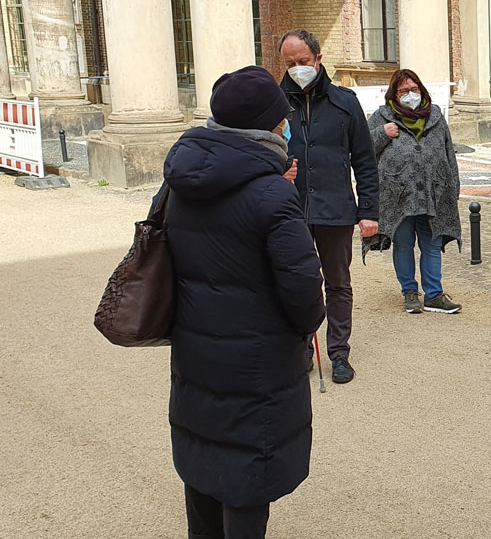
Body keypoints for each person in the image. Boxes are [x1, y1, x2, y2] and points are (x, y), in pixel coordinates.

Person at [158, 66, 327, 539]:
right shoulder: (272, 193)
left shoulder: (179, 182)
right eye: (281, 119)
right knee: (247, 486)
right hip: (257, 364)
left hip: (195, 352)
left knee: (204, 468)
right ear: (268, 127)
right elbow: (304, 292)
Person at [279, 29, 380, 384]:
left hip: (336, 209)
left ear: (318, 59)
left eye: (303, 62)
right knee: (297, 283)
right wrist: (278, 173)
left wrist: (369, 211)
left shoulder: (344, 102)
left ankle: (339, 353)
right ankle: (302, 349)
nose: (296, 69)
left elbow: (365, 160)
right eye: (289, 64)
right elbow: (256, 154)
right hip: (289, 211)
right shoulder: (274, 104)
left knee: (337, 284)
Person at [366, 69, 463, 314]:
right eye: (404, 91)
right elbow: (362, 149)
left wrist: (453, 189)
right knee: (404, 244)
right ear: (394, 94)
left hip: (434, 194)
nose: (410, 95)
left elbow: (449, 154)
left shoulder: (436, 117)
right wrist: (382, 133)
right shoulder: (381, 117)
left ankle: (434, 295)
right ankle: (410, 293)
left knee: (432, 245)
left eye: (414, 89)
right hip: (398, 196)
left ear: (421, 90)